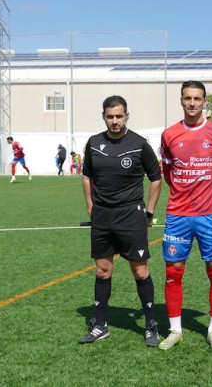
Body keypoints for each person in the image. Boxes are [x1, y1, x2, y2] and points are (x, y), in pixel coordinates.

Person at [158, 80, 212, 351]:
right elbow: (168, 172)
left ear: (204, 102)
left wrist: (211, 195)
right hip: (177, 216)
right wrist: (185, 195)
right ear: (181, 100)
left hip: (209, 216)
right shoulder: (169, 135)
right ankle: (175, 331)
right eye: (187, 98)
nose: (192, 103)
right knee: (173, 272)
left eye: (197, 98)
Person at [78, 95, 162, 347]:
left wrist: (149, 212)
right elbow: (87, 176)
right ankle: (100, 325)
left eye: (119, 116)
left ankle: (150, 325)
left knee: (140, 271)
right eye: (110, 116)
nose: (115, 121)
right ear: (103, 117)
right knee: (102, 271)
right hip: (102, 216)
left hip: (130, 215)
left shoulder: (139, 144)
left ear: (127, 116)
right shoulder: (94, 143)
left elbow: (156, 178)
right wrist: (91, 207)